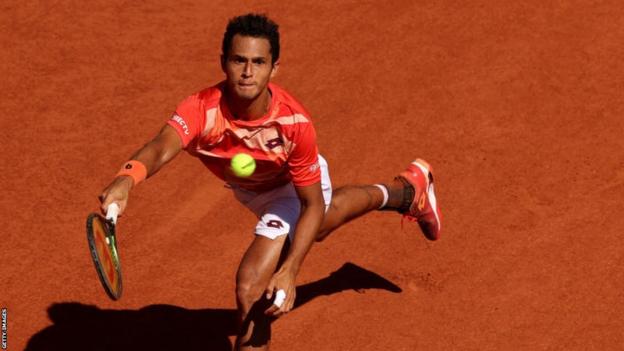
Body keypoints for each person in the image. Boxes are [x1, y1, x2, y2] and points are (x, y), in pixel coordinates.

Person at [98, 13, 442, 351]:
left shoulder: (294, 123)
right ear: (223, 62)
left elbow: (310, 203)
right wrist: (127, 178)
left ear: (274, 67)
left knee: (251, 287)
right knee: (321, 225)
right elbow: (160, 148)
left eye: (259, 62)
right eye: (239, 60)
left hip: (292, 190)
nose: (248, 73)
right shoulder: (201, 109)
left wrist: (290, 272)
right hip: (249, 191)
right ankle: (408, 192)